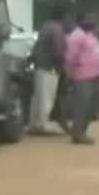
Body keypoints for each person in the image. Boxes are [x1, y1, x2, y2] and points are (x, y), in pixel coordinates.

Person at [63, 15, 99, 145]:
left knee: (94, 106)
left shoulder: (89, 35)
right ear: (80, 23)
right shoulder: (76, 36)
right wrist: (69, 74)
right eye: (89, 20)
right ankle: (78, 134)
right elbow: (71, 58)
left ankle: (81, 132)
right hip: (82, 76)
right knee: (82, 106)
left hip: (95, 76)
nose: (92, 22)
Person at [28, 7, 67, 135]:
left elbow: (36, 47)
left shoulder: (44, 27)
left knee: (38, 97)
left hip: (39, 65)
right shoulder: (57, 29)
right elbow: (58, 50)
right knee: (47, 97)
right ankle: (43, 125)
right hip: (50, 67)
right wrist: (61, 67)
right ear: (62, 18)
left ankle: (35, 124)